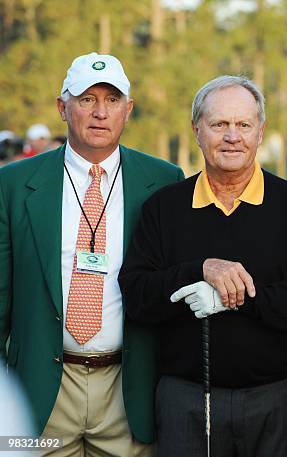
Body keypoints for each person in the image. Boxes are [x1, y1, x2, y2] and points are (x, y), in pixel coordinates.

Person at [119, 75, 287, 457]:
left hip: (281, 398)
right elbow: (136, 294)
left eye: (243, 125)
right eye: (219, 124)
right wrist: (196, 271)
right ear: (197, 130)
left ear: (260, 131)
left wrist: (233, 298)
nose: (232, 136)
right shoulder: (163, 208)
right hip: (185, 399)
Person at [0, 52, 184, 456]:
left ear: (128, 109)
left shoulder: (164, 181)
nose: (101, 112)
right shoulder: (12, 183)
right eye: (87, 99)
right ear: (62, 108)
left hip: (127, 387)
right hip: (43, 389)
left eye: (113, 100)